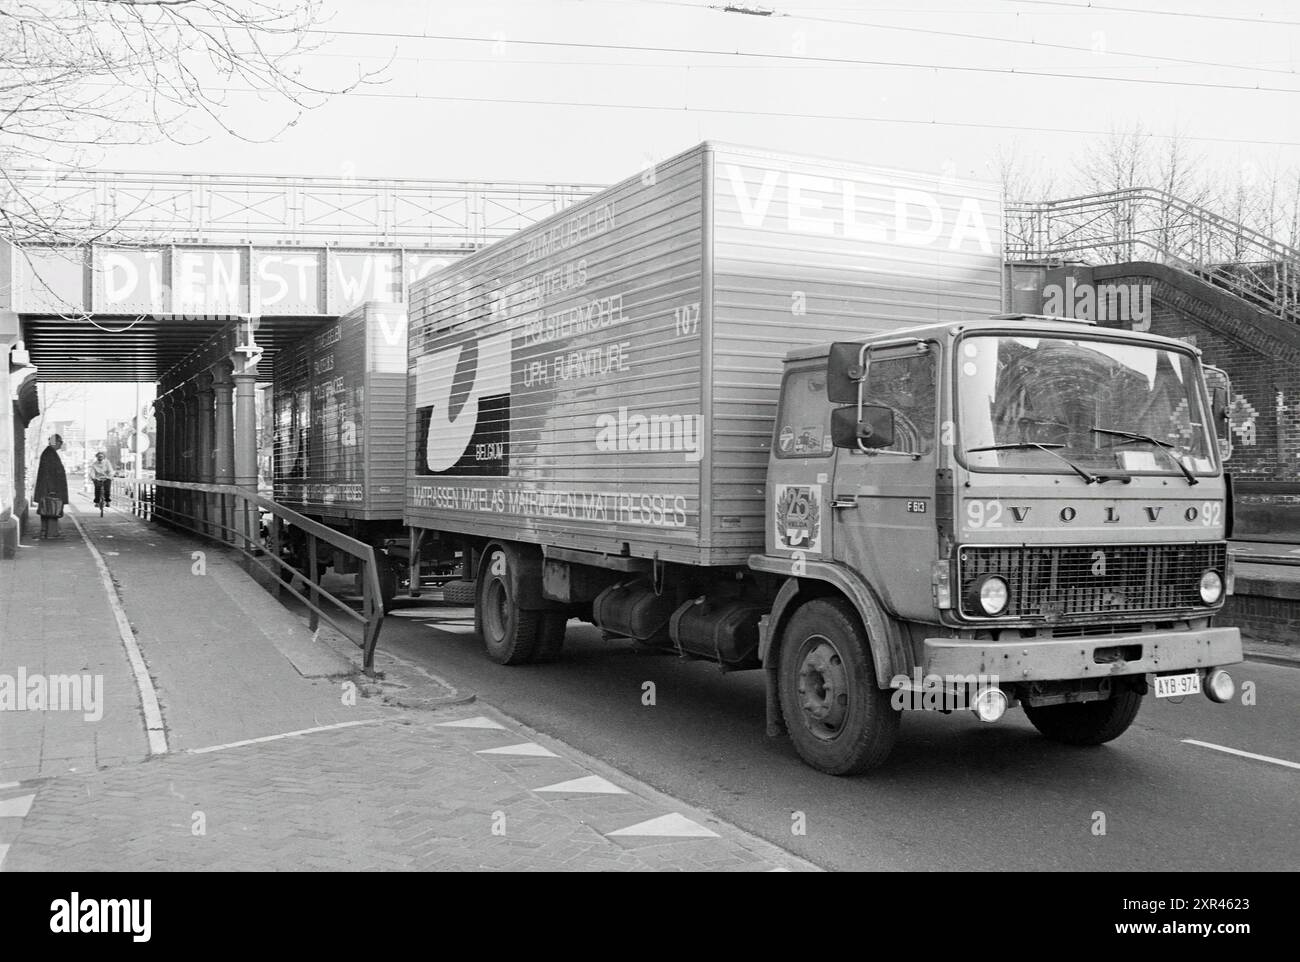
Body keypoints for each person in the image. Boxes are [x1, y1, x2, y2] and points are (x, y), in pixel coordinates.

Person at [33, 434, 69, 540]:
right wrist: (52, 489)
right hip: (51, 489)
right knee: (51, 510)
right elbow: (49, 474)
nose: (60, 445)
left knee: (47, 510)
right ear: (56, 442)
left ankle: (46, 532)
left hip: (48, 488)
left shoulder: (49, 452)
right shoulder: (50, 454)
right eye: (60, 443)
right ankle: (51, 533)